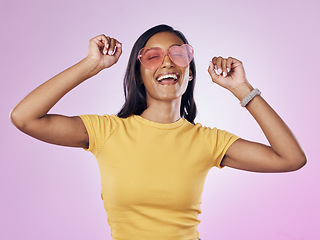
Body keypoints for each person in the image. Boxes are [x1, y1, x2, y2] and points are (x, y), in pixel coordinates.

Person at [10, 24, 307, 240]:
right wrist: (91, 65)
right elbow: (24, 117)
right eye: (152, 56)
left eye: (178, 54)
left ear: (189, 72)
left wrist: (241, 89)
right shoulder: (107, 131)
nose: (166, 61)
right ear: (139, 76)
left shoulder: (208, 141)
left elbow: (290, 158)